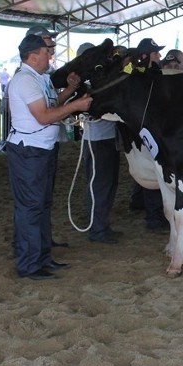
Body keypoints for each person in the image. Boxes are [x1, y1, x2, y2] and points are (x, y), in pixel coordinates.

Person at [6, 33, 92, 280]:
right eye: (47, 52)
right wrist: (76, 106)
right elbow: (44, 116)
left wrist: (72, 91)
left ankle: (42, 258)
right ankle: (29, 264)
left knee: (41, 205)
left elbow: (53, 105)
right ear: (33, 56)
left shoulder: (38, 78)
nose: (51, 56)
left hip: (40, 149)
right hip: (29, 151)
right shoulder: (25, 81)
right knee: (31, 207)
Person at [76, 42, 121, 245]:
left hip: (108, 138)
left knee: (109, 183)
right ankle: (97, 229)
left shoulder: (97, 80)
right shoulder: (83, 85)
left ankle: (102, 226)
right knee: (99, 184)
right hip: (96, 140)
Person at [127, 38, 168, 230]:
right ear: (145, 56)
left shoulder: (155, 73)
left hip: (155, 127)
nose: (159, 56)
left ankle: (157, 214)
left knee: (157, 167)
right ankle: (154, 217)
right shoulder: (137, 76)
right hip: (142, 130)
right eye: (155, 53)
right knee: (151, 167)